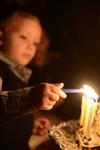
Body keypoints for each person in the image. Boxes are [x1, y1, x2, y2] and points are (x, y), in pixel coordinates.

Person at [0, 4, 67, 150]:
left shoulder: (19, 75)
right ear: (1, 37)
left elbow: (8, 116)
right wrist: (30, 98)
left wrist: (30, 123)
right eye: (24, 37)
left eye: (36, 43)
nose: (30, 47)